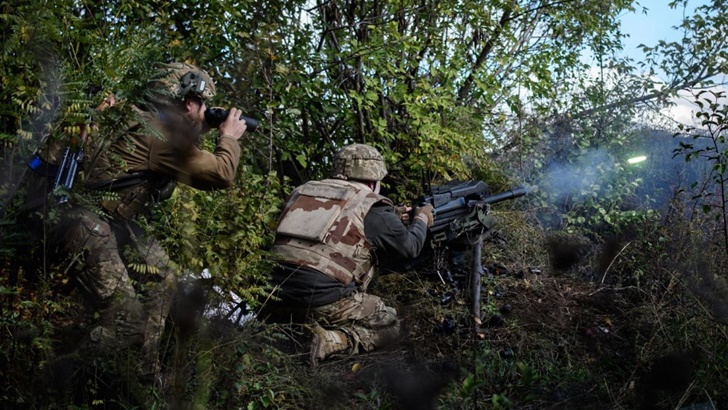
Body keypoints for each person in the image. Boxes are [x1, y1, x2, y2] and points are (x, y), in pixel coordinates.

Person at [29, 62, 249, 379]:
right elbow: (221, 173)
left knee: (162, 275)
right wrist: (228, 136)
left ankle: (143, 372)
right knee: (127, 322)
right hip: (81, 222)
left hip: (86, 214)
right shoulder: (160, 137)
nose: (206, 116)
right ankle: (51, 382)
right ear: (189, 103)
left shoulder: (128, 115)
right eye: (204, 107)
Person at [262, 143, 435, 365]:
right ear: (374, 181)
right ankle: (331, 340)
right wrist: (422, 219)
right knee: (391, 322)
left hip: (272, 294)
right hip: (320, 299)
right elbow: (410, 248)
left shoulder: (303, 191)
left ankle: (287, 324)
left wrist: (391, 216)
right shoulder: (370, 204)